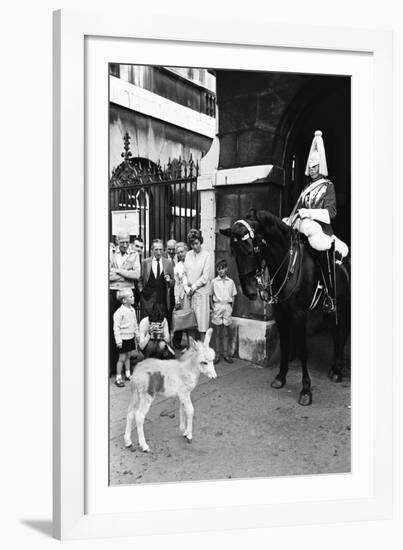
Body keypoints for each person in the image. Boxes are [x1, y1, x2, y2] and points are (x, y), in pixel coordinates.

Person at [284, 130, 348, 313]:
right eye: (310, 166)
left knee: (322, 250)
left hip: (322, 230)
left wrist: (310, 213)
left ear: (321, 167)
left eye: (314, 166)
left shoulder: (328, 187)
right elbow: (298, 209)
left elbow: (331, 213)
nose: (311, 169)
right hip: (304, 229)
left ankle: (329, 295)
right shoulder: (306, 188)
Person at [109, 232, 140, 376]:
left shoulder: (134, 254)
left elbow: (136, 275)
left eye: (127, 241)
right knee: (113, 327)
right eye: (122, 242)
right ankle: (112, 364)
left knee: (127, 327)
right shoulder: (110, 252)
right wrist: (125, 274)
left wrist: (117, 271)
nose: (125, 245)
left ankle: (126, 366)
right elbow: (107, 274)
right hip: (112, 292)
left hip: (127, 293)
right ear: (117, 241)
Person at [183, 229, 212, 342]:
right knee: (190, 325)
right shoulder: (188, 255)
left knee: (201, 326)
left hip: (200, 294)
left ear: (201, 242)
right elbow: (184, 273)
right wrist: (186, 287)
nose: (194, 246)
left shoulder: (206, 255)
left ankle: (203, 353)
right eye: (192, 244)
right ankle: (191, 353)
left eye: (196, 243)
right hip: (189, 294)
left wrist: (194, 287)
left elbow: (205, 277)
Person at [138, 238, 174, 320]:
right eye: (156, 249)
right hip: (147, 300)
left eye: (161, 249)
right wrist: (141, 291)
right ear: (152, 250)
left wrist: (169, 281)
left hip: (162, 301)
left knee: (161, 326)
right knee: (146, 325)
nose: (159, 252)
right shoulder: (145, 262)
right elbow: (140, 279)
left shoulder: (168, 263)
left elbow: (173, 283)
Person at [210, 259, 237, 364]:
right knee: (217, 332)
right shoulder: (214, 282)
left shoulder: (231, 282)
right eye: (219, 269)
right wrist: (212, 307)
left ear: (226, 269)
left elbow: (233, 297)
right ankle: (217, 355)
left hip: (227, 306)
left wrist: (231, 309)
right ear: (217, 270)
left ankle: (226, 354)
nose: (221, 271)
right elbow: (210, 296)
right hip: (217, 306)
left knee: (226, 332)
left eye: (223, 268)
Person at [113, 288, 142, 388]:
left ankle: (128, 374)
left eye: (133, 296)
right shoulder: (119, 312)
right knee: (121, 358)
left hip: (130, 337)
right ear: (124, 300)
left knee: (128, 356)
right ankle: (118, 377)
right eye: (131, 297)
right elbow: (116, 327)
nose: (133, 298)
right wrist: (118, 340)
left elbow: (135, 324)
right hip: (123, 339)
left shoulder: (132, 310)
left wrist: (137, 335)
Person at [172, 241, 189, 349]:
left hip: (192, 294)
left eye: (182, 251)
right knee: (182, 318)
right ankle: (178, 341)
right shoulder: (178, 266)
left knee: (191, 320)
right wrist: (176, 299)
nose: (180, 254)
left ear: (186, 251)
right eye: (178, 252)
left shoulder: (192, 262)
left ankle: (191, 344)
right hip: (182, 296)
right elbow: (177, 284)